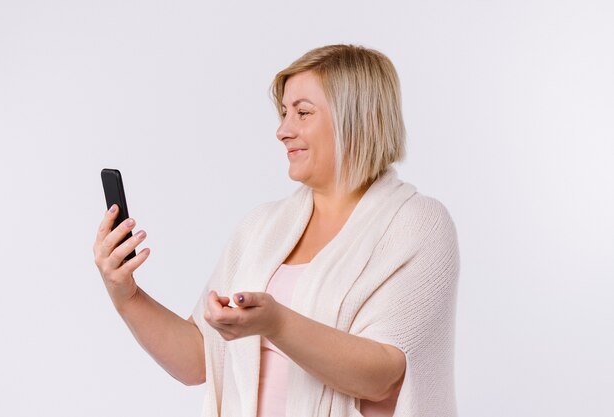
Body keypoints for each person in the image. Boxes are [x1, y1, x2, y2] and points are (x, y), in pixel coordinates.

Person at [93, 44, 460, 417]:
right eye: (285, 113)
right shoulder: (261, 229)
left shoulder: (417, 224)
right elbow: (197, 361)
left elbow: (382, 375)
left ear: (361, 119)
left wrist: (277, 323)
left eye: (302, 112)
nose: (283, 131)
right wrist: (127, 295)